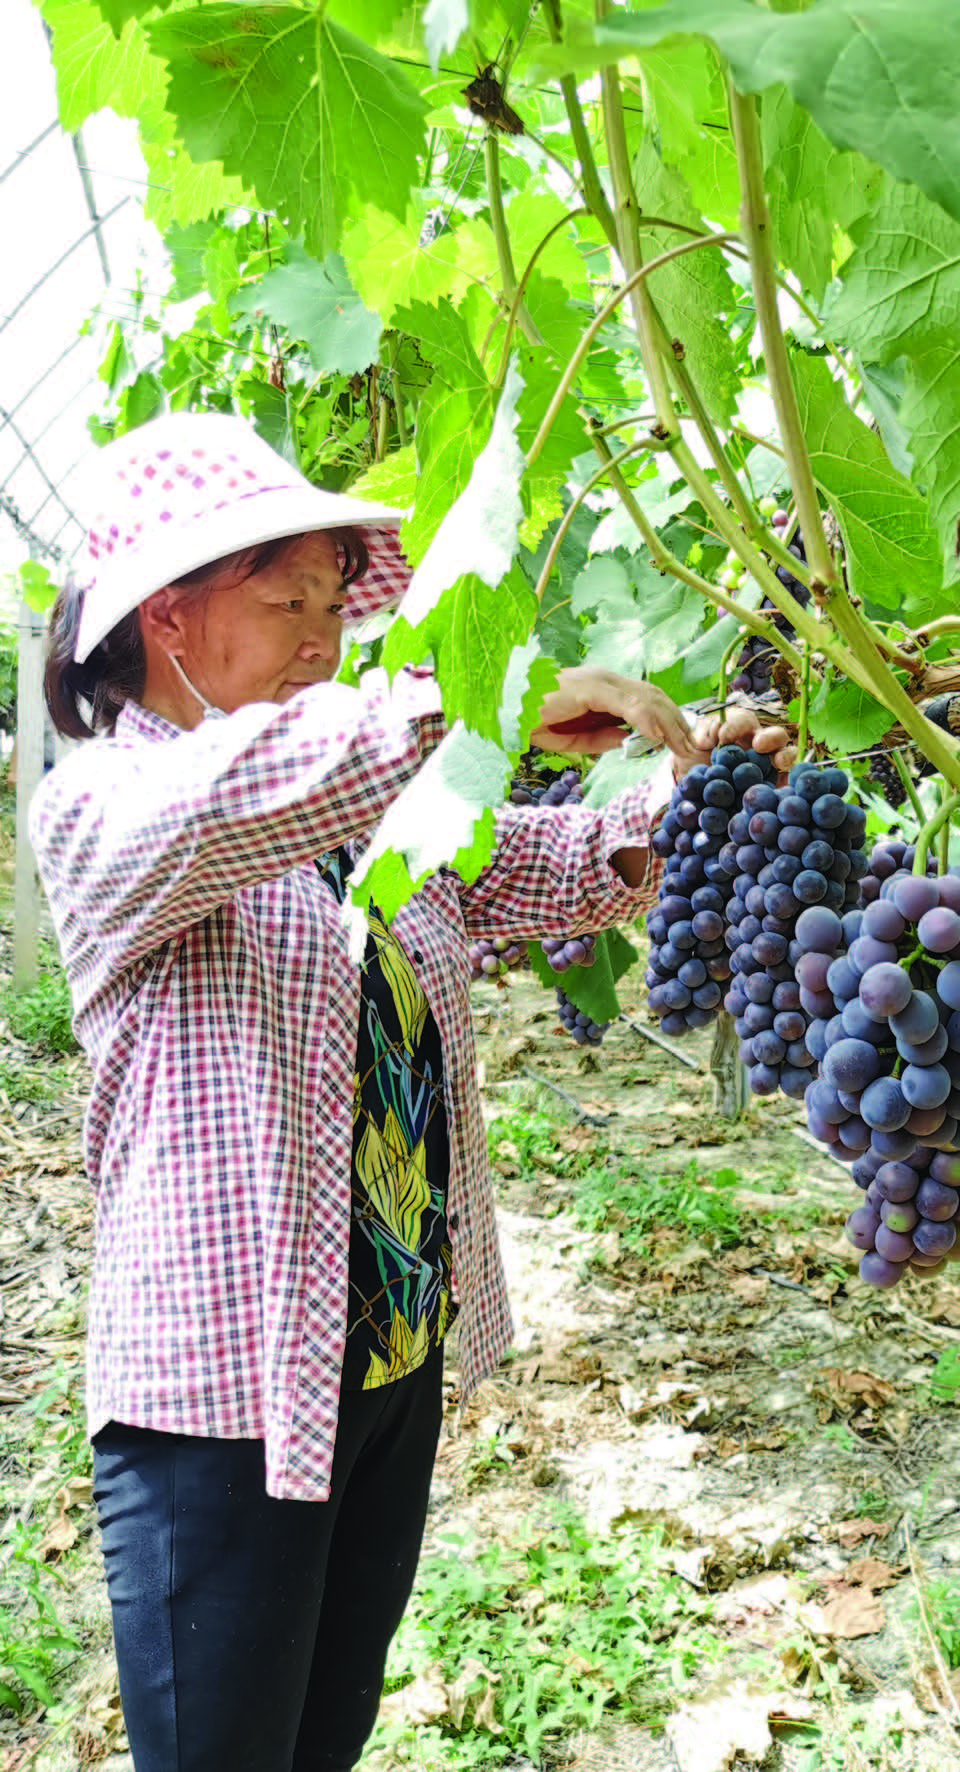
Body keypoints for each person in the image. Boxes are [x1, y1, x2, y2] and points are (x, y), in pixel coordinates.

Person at [29, 411, 694, 1770]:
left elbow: (529, 865)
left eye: (337, 603)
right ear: (168, 617)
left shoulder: (366, 826)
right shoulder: (106, 811)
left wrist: (692, 791)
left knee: (324, 1737)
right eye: (290, 602)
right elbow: (259, 791)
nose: (328, 638)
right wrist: (488, 698)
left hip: (387, 1368)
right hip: (217, 1413)